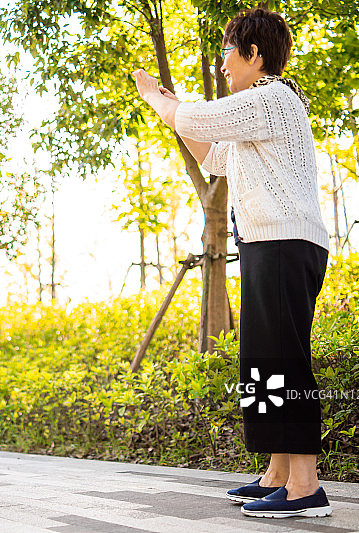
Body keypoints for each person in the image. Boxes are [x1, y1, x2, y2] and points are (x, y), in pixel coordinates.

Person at [133, 8, 332, 519]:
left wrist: (156, 98)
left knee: (284, 362)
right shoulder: (257, 112)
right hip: (270, 244)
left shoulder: (271, 98)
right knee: (264, 365)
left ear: (254, 54)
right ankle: (278, 474)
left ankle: (306, 487)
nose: (222, 65)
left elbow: (196, 118)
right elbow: (212, 156)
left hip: (285, 242)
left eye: (227, 52)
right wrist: (174, 111)